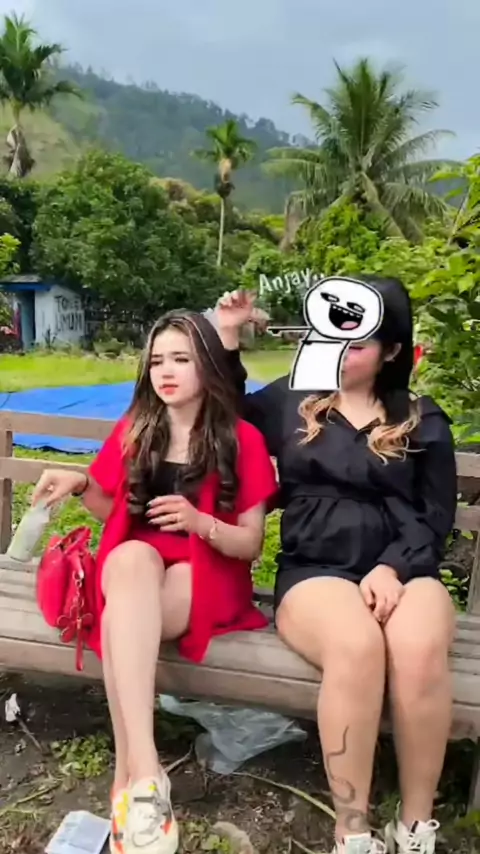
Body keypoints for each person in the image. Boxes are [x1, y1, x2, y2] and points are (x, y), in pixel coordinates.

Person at [213, 278, 457, 854]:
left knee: (420, 647)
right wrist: (228, 336)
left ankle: (415, 826)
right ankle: (352, 829)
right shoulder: (293, 401)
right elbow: (224, 412)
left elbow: (435, 516)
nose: (341, 352)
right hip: (316, 570)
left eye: (359, 343)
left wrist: (392, 568)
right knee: (356, 645)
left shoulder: (422, 418)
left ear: (392, 351)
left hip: (405, 567)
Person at [32, 310, 277, 854]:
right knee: (128, 559)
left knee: (121, 618)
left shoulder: (242, 439)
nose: (165, 371)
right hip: (138, 576)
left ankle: (131, 776)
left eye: (181, 359)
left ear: (207, 364)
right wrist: (81, 484)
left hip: (206, 572)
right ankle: (145, 776)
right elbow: (112, 512)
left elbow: (250, 544)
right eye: (158, 360)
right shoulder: (137, 428)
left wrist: (199, 522)